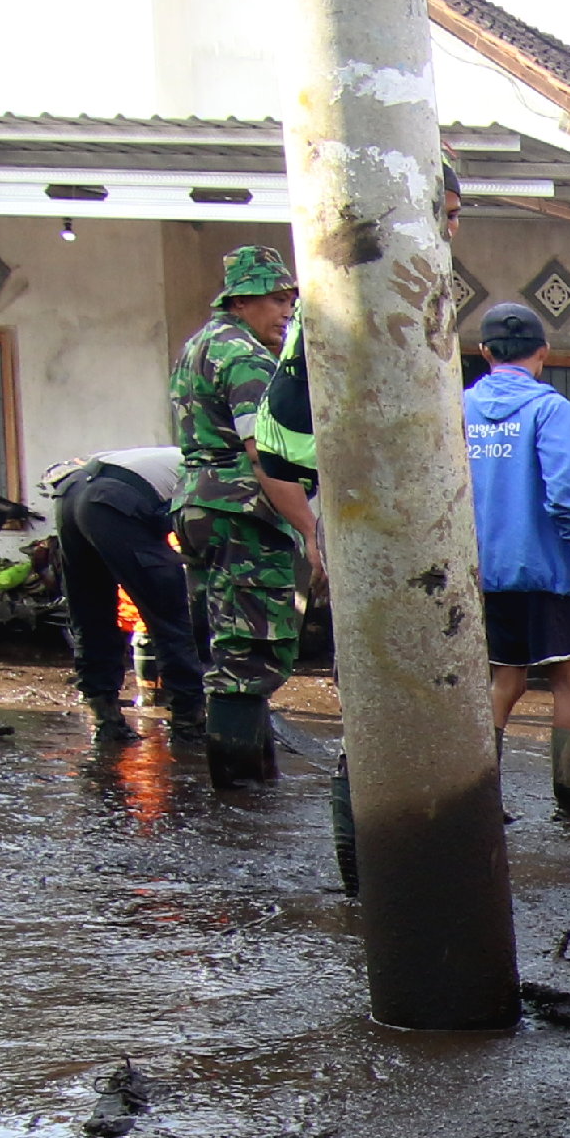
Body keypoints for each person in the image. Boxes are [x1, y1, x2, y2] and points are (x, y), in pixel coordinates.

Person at [169, 244, 312, 788]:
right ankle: (243, 787)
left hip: (198, 507)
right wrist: (309, 528)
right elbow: (264, 450)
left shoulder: (197, 346)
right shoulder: (245, 356)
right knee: (250, 652)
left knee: (227, 642)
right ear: (244, 300)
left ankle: (243, 784)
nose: (286, 313)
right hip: (241, 512)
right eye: (278, 300)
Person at [464, 302, 570, 815]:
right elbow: (567, 492)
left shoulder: (462, 407)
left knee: (506, 679)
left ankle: (478, 794)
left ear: (484, 353)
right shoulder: (549, 408)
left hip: (482, 569)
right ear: (542, 353)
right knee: (568, 677)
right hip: (543, 568)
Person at [47, 442, 205, 749]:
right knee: (169, 614)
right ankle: (189, 723)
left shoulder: (170, 457)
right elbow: (198, 537)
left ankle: (105, 718)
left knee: (90, 611)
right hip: (113, 499)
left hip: (70, 493)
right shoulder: (214, 471)